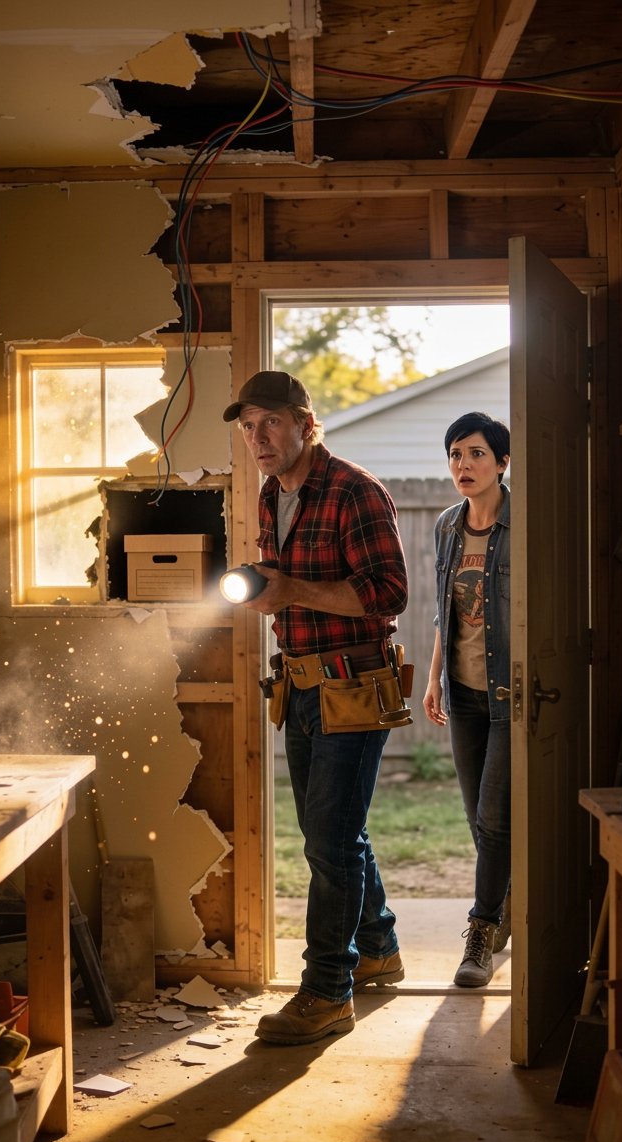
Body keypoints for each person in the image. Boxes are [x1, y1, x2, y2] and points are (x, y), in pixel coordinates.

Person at [222, 370, 409, 1045]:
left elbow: (389, 593)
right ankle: (380, 949)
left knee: (330, 842)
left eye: (269, 422)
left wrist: (294, 587)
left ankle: (328, 991)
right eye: (247, 426)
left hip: (353, 683)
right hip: (299, 685)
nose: (257, 437)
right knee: (331, 835)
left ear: (305, 422)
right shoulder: (273, 493)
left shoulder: (355, 490)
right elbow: (285, 588)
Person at [423, 411, 511, 987]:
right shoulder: (448, 527)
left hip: (511, 694)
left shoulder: (522, 523)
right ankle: (504, 912)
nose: (464, 465)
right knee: (477, 819)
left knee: (495, 817)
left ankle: (482, 931)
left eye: (477, 453)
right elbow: (444, 613)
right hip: (463, 691)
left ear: (502, 462)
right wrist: (433, 680)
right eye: (456, 454)